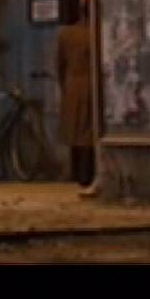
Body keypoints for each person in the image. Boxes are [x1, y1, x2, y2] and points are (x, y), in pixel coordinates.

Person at [55, 10, 97, 191]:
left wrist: (64, 84)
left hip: (71, 84)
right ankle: (86, 174)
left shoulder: (66, 34)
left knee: (75, 130)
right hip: (89, 84)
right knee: (87, 131)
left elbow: (59, 64)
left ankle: (77, 171)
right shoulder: (94, 33)